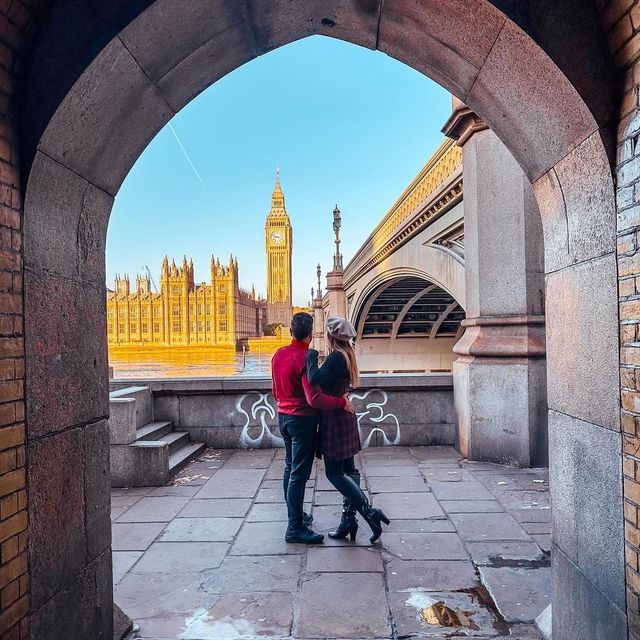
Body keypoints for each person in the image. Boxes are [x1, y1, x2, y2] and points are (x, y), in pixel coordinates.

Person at [271, 312, 355, 544]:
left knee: (289, 469)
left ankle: (297, 515)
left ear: (290, 332)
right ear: (310, 335)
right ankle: (295, 528)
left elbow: (275, 391)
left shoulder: (278, 354)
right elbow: (314, 399)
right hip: (302, 421)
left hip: (283, 417)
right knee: (299, 474)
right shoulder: (305, 359)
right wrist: (341, 402)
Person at [306, 316, 390, 543]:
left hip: (334, 420)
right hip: (345, 418)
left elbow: (314, 379)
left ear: (331, 336)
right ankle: (348, 520)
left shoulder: (334, 358)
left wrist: (312, 355)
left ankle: (369, 513)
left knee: (334, 474)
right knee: (349, 471)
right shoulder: (348, 355)